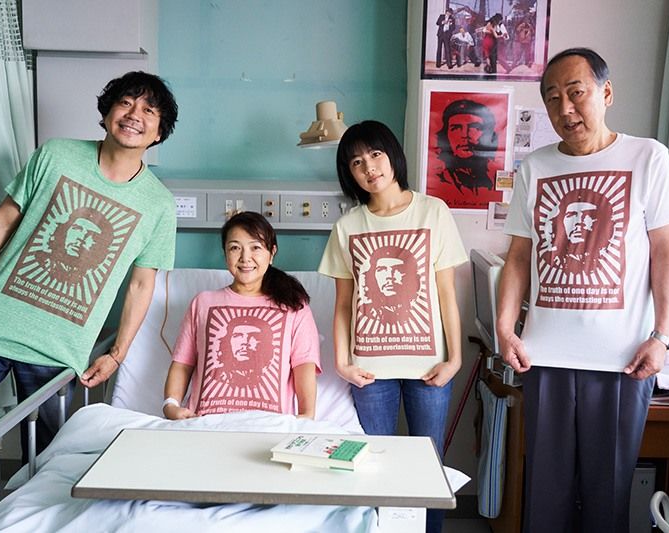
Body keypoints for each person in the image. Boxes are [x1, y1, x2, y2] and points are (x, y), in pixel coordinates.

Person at [0, 71, 179, 533]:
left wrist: (117, 353)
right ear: (106, 112)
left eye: (149, 111)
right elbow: (1, 222)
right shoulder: (56, 155)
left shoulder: (158, 204)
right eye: (126, 103)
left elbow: (141, 284)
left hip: (58, 349)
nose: (134, 115)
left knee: (51, 457)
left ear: (159, 133)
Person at [497, 48, 669, 532]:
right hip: (546, 358)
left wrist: (663, 336)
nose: (565, 109)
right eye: (552, 98)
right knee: (545, 498)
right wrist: (504, 327)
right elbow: (518, 256)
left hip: (622, 360)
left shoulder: (648, 157)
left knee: (608, 498)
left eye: (576, 93)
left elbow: (665, 252)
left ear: (606, 93)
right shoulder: (534, 167)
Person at [318, 120, 466, 533]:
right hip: (370, 371)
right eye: (356, 162)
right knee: (373, 465)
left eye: (375, 154)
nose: (369, 167)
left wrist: (455, 359)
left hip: (430, 368)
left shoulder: (433, 211)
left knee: (428, 465)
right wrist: (343, 362)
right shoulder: (348, 227)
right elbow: (343, 304)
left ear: (393, 155)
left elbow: (447, 294)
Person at [164, 211, 319, 419]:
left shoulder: (294, 307)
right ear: (225, 253)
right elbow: (182, 364)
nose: (245, 258)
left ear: (272, 253)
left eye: (255, 247)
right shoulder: (203, 303)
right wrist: (171, 406)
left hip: (269, 427)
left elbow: (304, 366)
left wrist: (306, 416)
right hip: (206, 425)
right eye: (235, 248)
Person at [436, 98, 499, 195]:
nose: (464, 135)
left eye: (474, 127)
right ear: (445, 136)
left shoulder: (494, 179)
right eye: (456, 128)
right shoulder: (438, 179)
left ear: (489, 135)